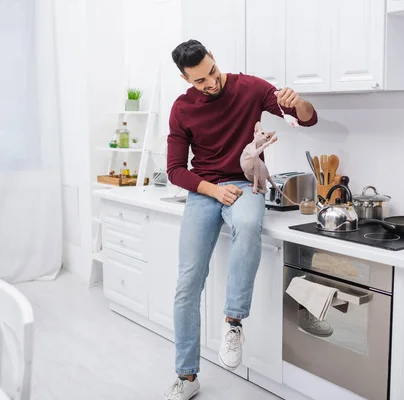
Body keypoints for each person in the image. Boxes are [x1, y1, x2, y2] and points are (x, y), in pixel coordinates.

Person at [163, 39, 318, 400]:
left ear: (215, 59)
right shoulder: (182, 109)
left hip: (245, 182)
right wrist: (213, 191)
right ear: (185, 78)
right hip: (204, 189)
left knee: (248, 225)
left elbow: (305, 119)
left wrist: (300, 103)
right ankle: (187, 377)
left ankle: (233, 322)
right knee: (188, 284)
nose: (211, 84)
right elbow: (173, 170)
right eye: (200, 81)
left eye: (212, 73)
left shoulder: (251, 88)